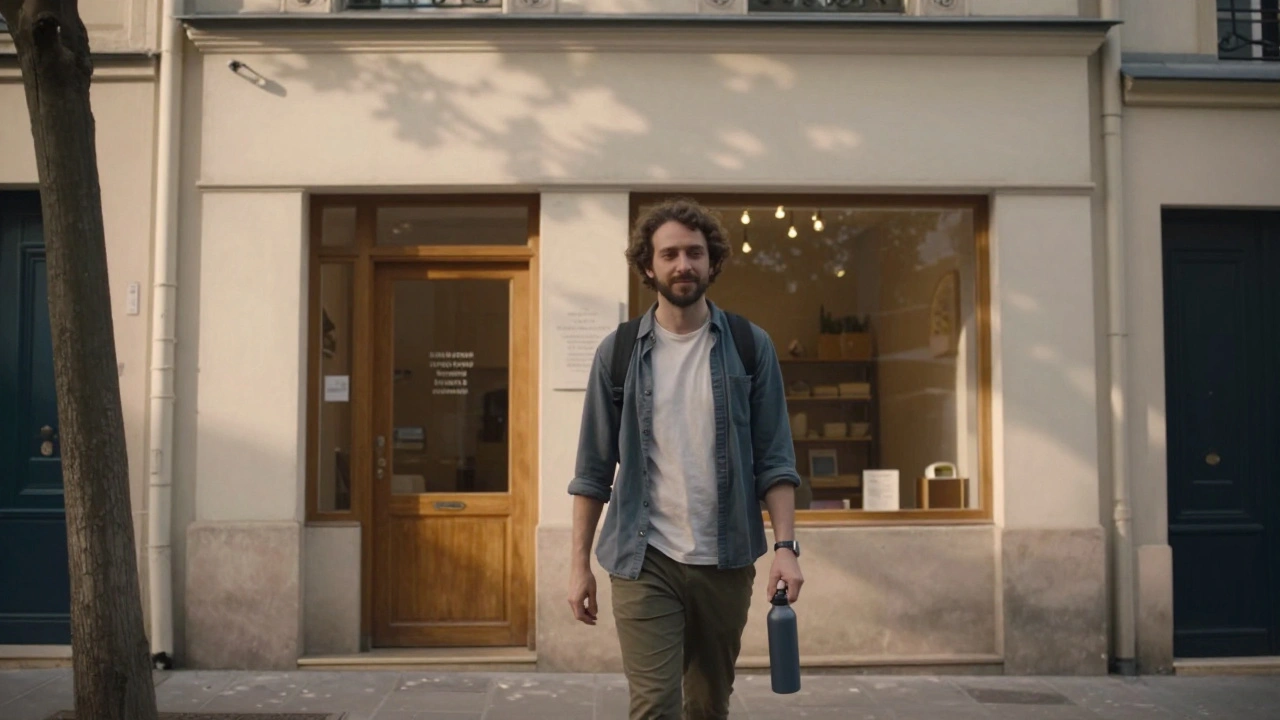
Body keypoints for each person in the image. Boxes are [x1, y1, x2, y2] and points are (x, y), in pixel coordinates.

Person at [566, 198, 804, 720]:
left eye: (694, 253)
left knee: (707, 705)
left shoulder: (748, 345)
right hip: (643, 557)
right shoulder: (619, 352)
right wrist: (578, 564)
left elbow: (776, 459)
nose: (683, 265)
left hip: (727, 559)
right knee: (654, 706)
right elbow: (592, 470)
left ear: (712, 261)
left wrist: (786, 547)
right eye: (669, 254)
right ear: (647, 265)